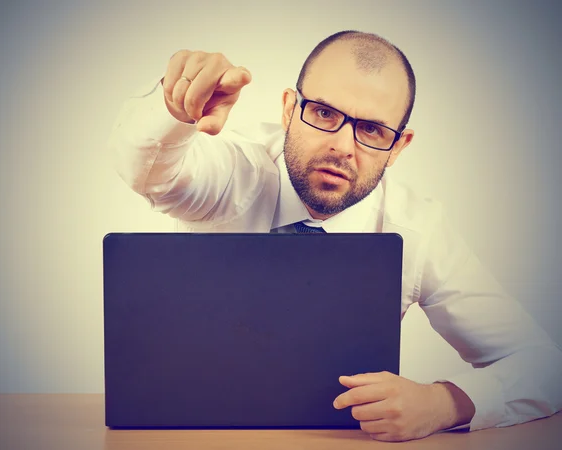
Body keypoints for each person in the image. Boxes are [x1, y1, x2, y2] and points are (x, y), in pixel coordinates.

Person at [108, 30, 562, 441]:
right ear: (289, 110)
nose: (342, 146)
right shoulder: (233, 172)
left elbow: (545, 367)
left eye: (371, 129)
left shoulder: (417, 228)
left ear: (398, 147)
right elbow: (148, 171)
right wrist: (175, 107)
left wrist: (445, 403)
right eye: (324, 113)